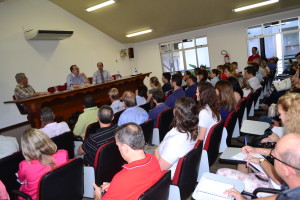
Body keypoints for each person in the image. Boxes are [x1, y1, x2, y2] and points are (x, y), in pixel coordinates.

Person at [93, 123, 162, 200]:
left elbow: (127, 182)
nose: (118, 149)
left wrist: (98, 194)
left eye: (118, 146)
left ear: (125, 149)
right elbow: (139, 184)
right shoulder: (153, 160)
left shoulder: (121, 179)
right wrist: (114, 186)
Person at [225, 133, 300, 200]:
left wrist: (261, 160)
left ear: (287, 170)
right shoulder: (293, 189)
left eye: (274, 157)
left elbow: (281, 190)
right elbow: (280, 196)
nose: (271, 155)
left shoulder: (292, 196)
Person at [17, 128, 68, 200]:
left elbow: (21, 180)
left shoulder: (24, 165)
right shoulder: (63, 153)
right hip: (58, 191)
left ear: (26, 148)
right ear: (46, 140)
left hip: (35, 197)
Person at [155, 97, 198, 178]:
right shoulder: (192, 130)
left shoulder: (175, 141)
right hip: (172, 169)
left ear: (176, 113)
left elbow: (159, 169)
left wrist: (156, 151)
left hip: (165, 179)